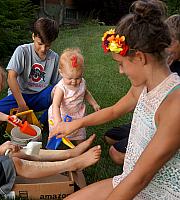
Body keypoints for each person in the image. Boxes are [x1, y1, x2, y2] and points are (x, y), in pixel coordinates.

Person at [49, 1, 180, 199]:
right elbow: (114, 111)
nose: (120, 71)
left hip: (154, 191)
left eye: (121, 63)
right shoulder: (142, 87)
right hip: (130, 178)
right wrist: (75, 124)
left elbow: (141, 178)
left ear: (140, 58)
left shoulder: (174, 105)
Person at [104, 13, 180, 167]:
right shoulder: (155, 72)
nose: (165, 49)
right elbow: (118, 108)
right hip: (149, 123)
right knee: (109, 137)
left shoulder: (172, 92)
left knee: (116, 153)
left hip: (164, 129)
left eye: (170, 43)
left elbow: (140, 178)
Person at [0, 17, 61, 127]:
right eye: (40, 43)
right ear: (33, 36)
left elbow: (59, 84)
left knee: (61, 91)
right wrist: (22, 104)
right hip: (19, 96)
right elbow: (11, 77)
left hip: (40, 96)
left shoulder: (54, 57)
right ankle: (19, 116)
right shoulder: (22, 51)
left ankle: (42, 123)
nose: (43, 49)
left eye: (47, 45)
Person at [48, 48, 100, 144]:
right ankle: (54, 149)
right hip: (62, 116)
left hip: (77, 115)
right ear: (61, 73)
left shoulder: (82, 82)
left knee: (79, 135)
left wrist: (94, 104)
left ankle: (80, 147)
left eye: (78, 77)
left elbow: (86, 93)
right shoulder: (61, 88)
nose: (74, 81)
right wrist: (58, 121)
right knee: (57, 136)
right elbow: (56, 105)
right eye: (70, 78)